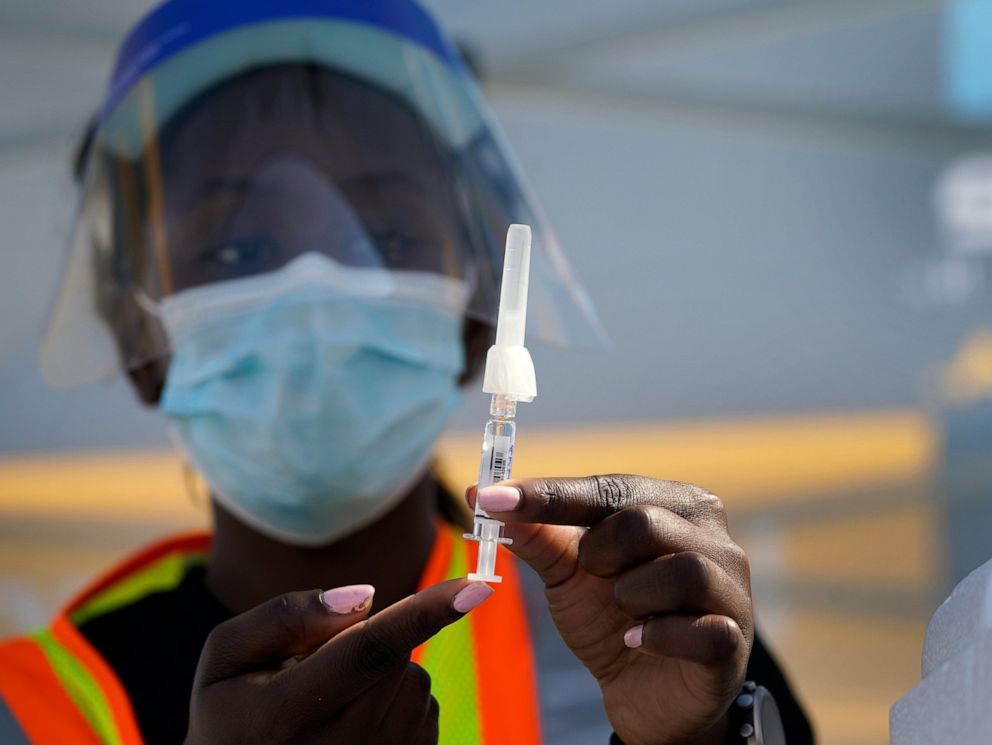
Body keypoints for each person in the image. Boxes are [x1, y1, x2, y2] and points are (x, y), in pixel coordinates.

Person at [0, 1, 814, 743]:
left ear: (478, 311)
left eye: (384, 237)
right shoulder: (31, 711)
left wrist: (695, 740)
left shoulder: (646, 632)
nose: (314, 287)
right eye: (237, 249)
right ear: (137, 337)